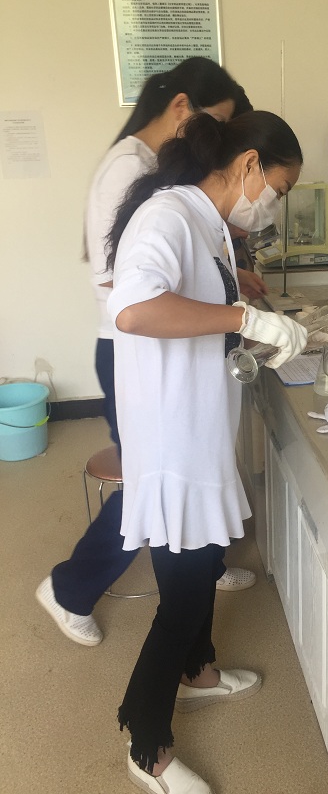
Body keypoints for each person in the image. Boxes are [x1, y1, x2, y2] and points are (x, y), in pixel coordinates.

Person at [105, 109, 306, 793]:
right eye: (278, 188)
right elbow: (135, 309)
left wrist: (242, 309)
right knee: (185, 595)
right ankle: (147, 745)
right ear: (249, 165)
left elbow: (197, 308)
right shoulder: (168, 216)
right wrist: (243, 316)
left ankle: (200, 671)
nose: (273, 204)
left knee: (203, 564)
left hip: (200, 428)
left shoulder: (211, 223)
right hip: (173, 440)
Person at [36, 58, 263, 649]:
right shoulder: (131, 169)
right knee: (154, 481)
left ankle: (205, 563)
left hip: (156, 346)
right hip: (134, 352)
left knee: (190, 468)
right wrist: (228, 308)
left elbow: (181, 260)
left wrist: (228, 276)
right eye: (217, 124)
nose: (217, 142)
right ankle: (69, 588)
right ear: (183, 107)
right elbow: (131, 286)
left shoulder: (153, 167)